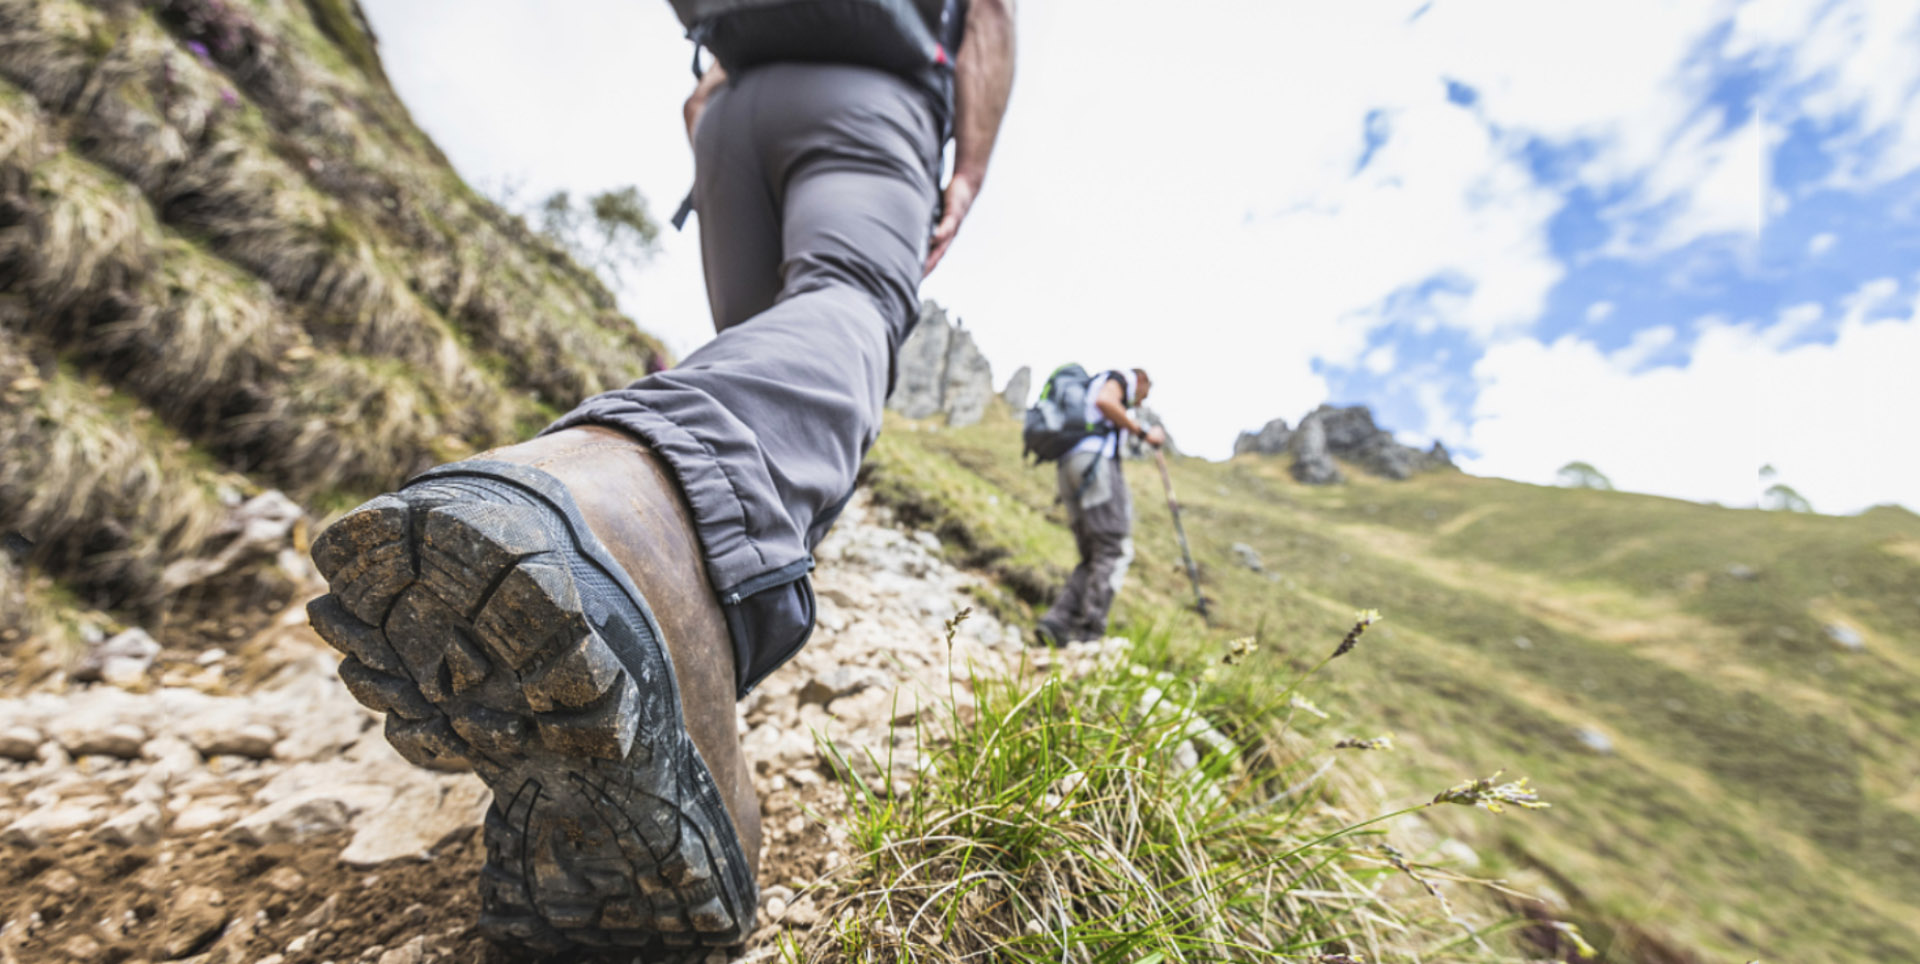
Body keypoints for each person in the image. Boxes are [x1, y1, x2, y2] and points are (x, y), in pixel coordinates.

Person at [304, 3, 1017, 955]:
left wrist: (720, 104)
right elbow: (992, 14)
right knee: (847, 302)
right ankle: (632, 522)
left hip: (730, 111)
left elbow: (705, 81)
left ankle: (672, 677)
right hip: (873, 98)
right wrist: (965, 167)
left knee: (763, 355)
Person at [1034, 368, 1164, 646]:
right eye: (1144, 395)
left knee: (1092, 554)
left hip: (1069, 468)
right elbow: (1105, 402)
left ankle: (1057, 622)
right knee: (1113, 547)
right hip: (1095, 467)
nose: (1140, 402)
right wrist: (1142, 432)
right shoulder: (1121, 379)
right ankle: (1088, 635)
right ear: (1140, 381)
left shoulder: (1090, 388)